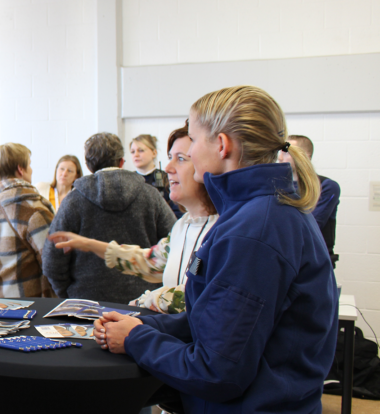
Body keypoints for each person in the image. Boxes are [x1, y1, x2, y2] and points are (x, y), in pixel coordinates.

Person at [94, 86, 337, 413]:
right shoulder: (257, 214)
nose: (188, 154)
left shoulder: (254, 232)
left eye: (193, 141)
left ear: (222, 145)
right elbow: (213, 323)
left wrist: (136, 339)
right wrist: (142, 326)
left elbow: (217, 371)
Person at [48, 124, 218, 314]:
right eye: (170, 157)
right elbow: (151, 261)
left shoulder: (223, 230)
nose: (168, 168)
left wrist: (143, 303)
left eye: (181, 158)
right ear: (122, 161)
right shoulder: (181, 225)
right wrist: (90, 244)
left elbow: (199, 294)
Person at [41, 133, 176, 304]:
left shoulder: (73, 201)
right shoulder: (151, 195)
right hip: (144, 302)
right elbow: (175, 244)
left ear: (88, 165)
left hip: (86, 303)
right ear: (121, 162)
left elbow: (52, 260)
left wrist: (68, 294)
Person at [0, 143, 55, 298]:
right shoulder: (35, 208)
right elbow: (53, 260)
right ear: (20, 169)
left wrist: (1, 281)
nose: (31, 169)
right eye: (29, 165)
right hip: (35, 301)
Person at [279, 134, 341, 267]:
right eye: (281, 152)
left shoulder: (326, 187)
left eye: (286, 152)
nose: (280, 157)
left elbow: (309, 227)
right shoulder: (277, 187)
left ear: (305, 156)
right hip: (285, 261)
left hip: (314, 263)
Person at [130, 134, 183, 218]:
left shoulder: (167, 178)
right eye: (132, 151)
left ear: (154, 153)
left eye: (141, 150)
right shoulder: (128, 180)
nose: (135, 155)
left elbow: (177, 211)